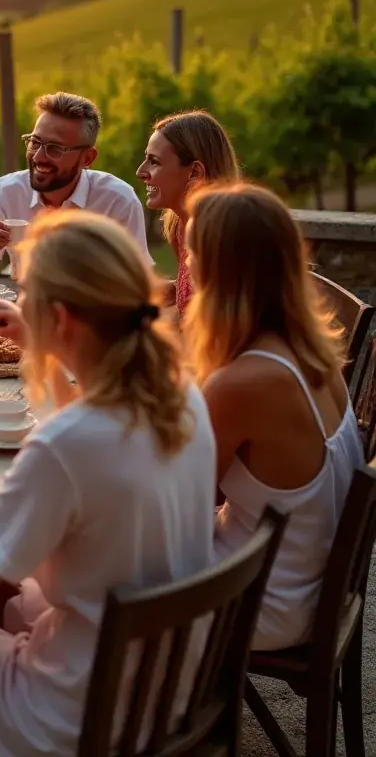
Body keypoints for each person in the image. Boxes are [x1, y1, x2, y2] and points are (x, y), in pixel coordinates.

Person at [0, 210, 217, 757]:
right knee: (8, 586)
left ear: (64, 317)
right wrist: (44, 347)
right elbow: (98, 440)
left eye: (28, 293)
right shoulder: (182, 394)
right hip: (165, 683)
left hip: (73, 718)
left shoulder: (66, 445)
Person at [185, 183, 364, 651]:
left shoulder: (244, 382)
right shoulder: (309, 351)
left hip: (267, 601)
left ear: (220, 268)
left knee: (82, 560)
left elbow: (182, 512)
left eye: (191, 252)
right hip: (304, 578)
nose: (186, 265)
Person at [0, 92, 148, 290]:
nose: (38, 157)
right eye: (35, 142)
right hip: (22, 309)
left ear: (87, 158)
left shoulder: (117, 201)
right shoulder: (8, 191)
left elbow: (136, 285)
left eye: (55, 148)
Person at [136, 110, 238, 317]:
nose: (140, 172)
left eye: (154, 161)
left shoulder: (220, 239)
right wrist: (176, 289)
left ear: (195, 172)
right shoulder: (180, 227)